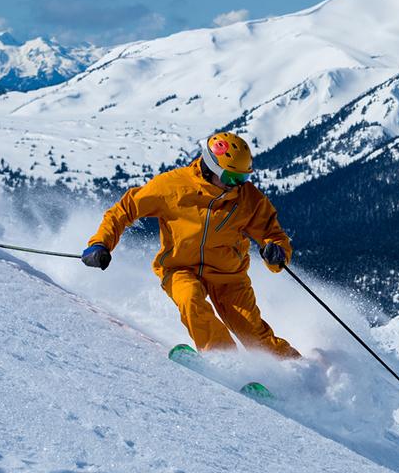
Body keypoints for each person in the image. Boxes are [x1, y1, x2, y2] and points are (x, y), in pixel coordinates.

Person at [82, 131, 299, 359]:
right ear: (210, 167)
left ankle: (296, 371)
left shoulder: (248, 199)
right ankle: (227, 360)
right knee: (190, 299)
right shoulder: (172, 186)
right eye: (230, 178)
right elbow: (124, 210)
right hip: (179, 269)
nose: (236, 186)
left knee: (253, 333)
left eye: (241, 178)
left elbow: (272, 234)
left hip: (229, 277)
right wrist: (100, 243)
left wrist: (277, 252)